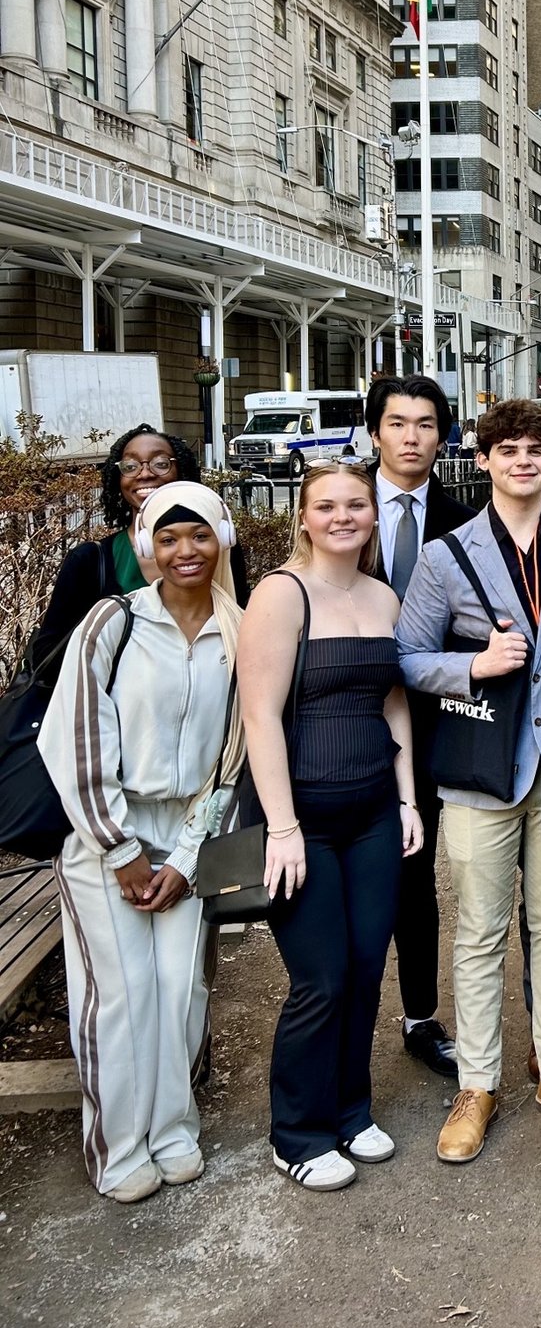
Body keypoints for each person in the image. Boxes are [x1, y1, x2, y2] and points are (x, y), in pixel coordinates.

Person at [397, 400, 541, 1164]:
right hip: (480, 774)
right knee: (481, 931)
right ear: (484, 460)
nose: (523, 460)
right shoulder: (444, 554)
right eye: (508, 449)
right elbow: (405, 656)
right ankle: (479, 1080)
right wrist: (472, 665)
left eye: (535, 449)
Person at [39, 483, 244, 1202]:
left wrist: (188, 857)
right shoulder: (113, 622)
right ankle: (119, 1144)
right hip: (109, 832)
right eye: (168, 537)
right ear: (146, 546)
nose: (185, 551)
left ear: (222, 538)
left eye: (199, 535)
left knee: (180, 988)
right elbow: (73, 737)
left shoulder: (238, 630)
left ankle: (171, 1127)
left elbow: (231, 756)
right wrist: (120, 848)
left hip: (189, 830)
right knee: (118, 996)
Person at [237, 462, 423, 1192]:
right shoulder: (280, 595)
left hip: (375, 812)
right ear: (304, 517)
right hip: (302, 820)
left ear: (374, 514)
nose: (343, 515)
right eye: (327, 505)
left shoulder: (383, 595)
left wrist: (408, 800)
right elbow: (260, 715)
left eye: (356, 504)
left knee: (368, 967)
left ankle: (350, 1109)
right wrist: (282, 825)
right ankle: (298, 1131)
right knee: (321, 976)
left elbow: (395, 701)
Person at [366, 374, 474, 1079]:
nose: (412, 436)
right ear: (374, 431)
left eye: (426, 423)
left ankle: (419, 1014)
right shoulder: (340, 507)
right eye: (398, 422)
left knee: (418, 870)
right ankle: (342, 1013)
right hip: (350, 715)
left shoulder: (465, 518)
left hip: (436, 723)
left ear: (443, 434)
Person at [32, 423, 249, 670]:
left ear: (182, 472)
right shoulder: (89, 561)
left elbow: (241, 621)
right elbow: (47, 657)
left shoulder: (218, 550)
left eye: (160, 463)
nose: (144, 474)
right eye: (130, 466)